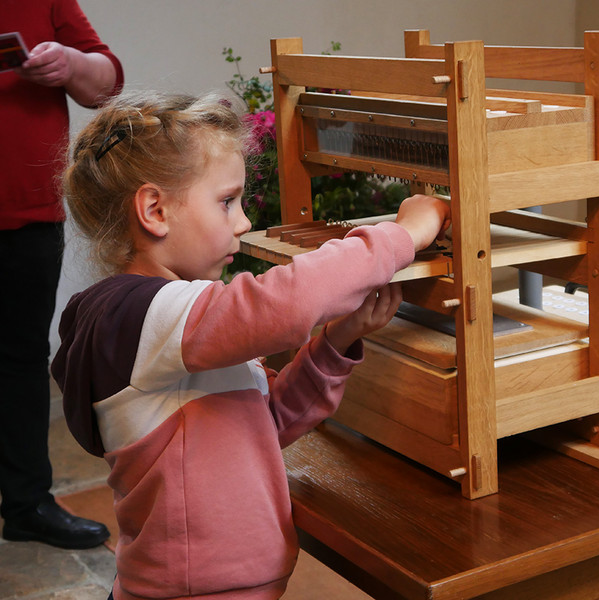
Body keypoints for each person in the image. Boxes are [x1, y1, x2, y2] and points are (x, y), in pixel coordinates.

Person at [51, 90, 450, 599]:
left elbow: (268, 423)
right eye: (226, 201)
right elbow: (282, 306)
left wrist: (338, 340)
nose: (243, 222)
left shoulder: (179, 332)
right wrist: (404, 234)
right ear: (154, 210)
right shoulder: (133, 316)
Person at [0, 0, 123, 549]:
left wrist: (71, 64)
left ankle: (26, 505)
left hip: (25, 213)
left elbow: (107, 82)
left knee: (21, 359)